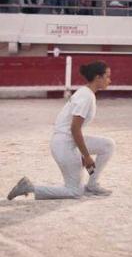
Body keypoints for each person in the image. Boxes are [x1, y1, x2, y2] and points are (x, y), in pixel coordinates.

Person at [7, 61, 115, 200]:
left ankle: (92, 185)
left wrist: (82, 155)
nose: (109, 80)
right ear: (97, 77)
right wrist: (86, 156)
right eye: (107, 76)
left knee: (108, 145)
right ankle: (29, 187)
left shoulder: (86, 93)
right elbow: (75, 128)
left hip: (69, 141)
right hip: (63, 145)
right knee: (74, 191)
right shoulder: (86, 96)